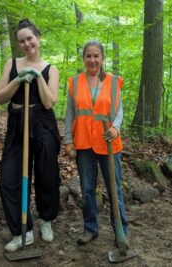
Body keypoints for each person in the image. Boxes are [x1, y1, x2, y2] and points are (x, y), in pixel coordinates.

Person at [0, 18, 60, 252]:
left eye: (30, 38)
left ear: (38, 38)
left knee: (46, 175)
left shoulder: (52, 69)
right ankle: (22, 230)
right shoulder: (10, 63)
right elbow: (1, 97)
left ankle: (46, 219)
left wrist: (39, 76)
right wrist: (18, 79)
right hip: (16, 124)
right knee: (8, 180)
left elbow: (49, 102)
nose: (26, 44)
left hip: (43, 124)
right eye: (22, 41)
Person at [64, 40, 128, 245]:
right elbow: (69, 114)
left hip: (108, 142)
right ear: (83, 58)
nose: (92, 60)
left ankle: (121, 231)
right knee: (87, 188)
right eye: (88, 56)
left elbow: (119, 111)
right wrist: (68, 140)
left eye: (96, 56)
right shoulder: (74, 82)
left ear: (102, 58)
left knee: (113, 188)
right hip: (83, 143)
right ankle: (90, 228)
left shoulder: (113, 81)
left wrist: (116, 128)